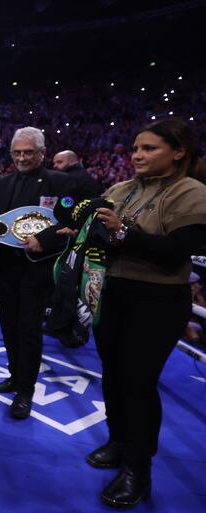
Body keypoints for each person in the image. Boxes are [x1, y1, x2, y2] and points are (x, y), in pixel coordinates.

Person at [85, 118, 206, 509]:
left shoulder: (192, 192)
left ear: (178, 152)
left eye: (149, 148)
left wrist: (122, 232)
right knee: (112, 373)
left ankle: (138, 469)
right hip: (112, 292)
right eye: (136, 148)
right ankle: (117, 441)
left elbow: (176, 251)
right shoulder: (121, 188)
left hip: (157, 298)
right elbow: (92, 227)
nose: (137, 155)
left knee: (137, 382)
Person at [0, 127, 72, 419]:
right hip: (6, 266)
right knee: (8, 324)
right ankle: (15, 376)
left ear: (42, 153)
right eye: (17, 152)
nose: (22, 158)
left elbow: (71, 221)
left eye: (28, 152)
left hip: (37, 268)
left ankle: (25, 391)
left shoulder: (60, 183)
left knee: (28, 328)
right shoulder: (3, 183)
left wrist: (46, 239)